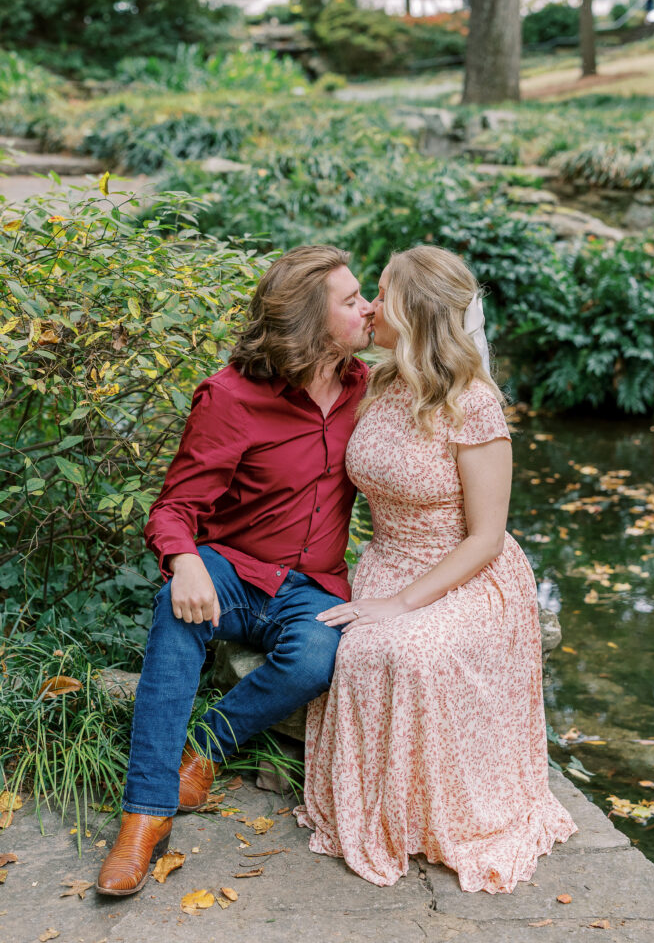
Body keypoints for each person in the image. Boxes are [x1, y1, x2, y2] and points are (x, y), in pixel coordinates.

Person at [296, 245, 577, 894]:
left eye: (380, 293)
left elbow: (484, 538)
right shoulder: (380, 381)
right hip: (385, 561)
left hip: (466, 574)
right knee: (363, 650)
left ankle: (437, 813)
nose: (367, 305)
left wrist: (402, 605)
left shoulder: (472, 404)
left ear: (412, 313)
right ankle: (389, 812)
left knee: (406, 649)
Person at [97, 245, 373, 896]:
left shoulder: (368, 388)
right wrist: (185, 560)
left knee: (312, 659)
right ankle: (145, 817)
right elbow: (174, 508)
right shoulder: (231, 396)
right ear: (311, 320)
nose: (368, 307)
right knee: (174, 609)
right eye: (352, 299)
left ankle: (209, 748)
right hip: (233, 571)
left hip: (313, 585)